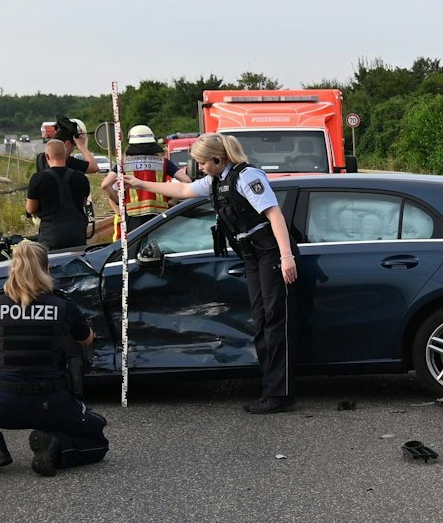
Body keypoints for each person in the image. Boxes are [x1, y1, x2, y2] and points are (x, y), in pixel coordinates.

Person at [108, 132, 300, 414]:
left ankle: (280, 394)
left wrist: (286, 257)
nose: (197, 167)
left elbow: (274, 215)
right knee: (261, 321)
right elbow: (183, 191)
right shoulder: (216, 181)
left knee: (274, 322)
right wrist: (137, 182)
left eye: (200, 162)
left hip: (270, 252)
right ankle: (270, 388)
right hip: (251, 255)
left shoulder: (247, 177)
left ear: (217, 159)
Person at [0, 240, 110, 477]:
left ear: (12, 269)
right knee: (98, 443)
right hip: (56, 404)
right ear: (48, 270)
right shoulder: (63, 305)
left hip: (3, 406)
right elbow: (87, 340)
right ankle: (55, 445)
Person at [25, 129, 93, 251]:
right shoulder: (81, 178)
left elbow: (30, 209)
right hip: (77, 235)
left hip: (51, 236)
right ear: (66, 155)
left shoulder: (38, 179)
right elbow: (83, 203)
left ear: (47, 156)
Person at [108, 124, 179, 238]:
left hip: (133, 215)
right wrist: (174, 200)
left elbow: (105, 184)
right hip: (160, 214)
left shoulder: (124, 164)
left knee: (135, 248)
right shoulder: (163, 162)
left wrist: (117, 202)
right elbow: (186, 180)